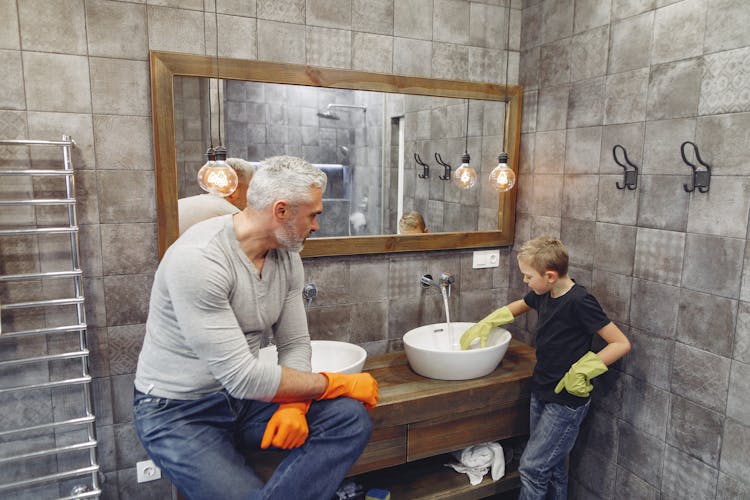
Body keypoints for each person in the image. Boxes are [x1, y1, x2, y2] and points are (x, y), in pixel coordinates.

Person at [134, 156, 379, 500]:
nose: (316, 226)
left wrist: (295, 406)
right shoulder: (199, 260)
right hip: (179, 412)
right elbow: (242, 376)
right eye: (313, 215)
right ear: (281, 211)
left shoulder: (286, 255)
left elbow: (294, 342)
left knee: (349, 419)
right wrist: (333, 383)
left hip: (243, 401)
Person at [459, 236, 630, 500]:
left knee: (532, 469)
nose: (525, 282)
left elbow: (620, 343)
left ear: (550, 275)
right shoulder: (545, 293)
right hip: (542, 389)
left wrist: (584, 369)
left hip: (566, 399)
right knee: (554, 467)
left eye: (528, 276)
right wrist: (491, 321)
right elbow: (521, 305)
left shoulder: (580, 301)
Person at [177, 157, 256, 235]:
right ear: (233, 192)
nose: (254, 196)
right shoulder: (232, 216)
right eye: (252, 188)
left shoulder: (179, 204)